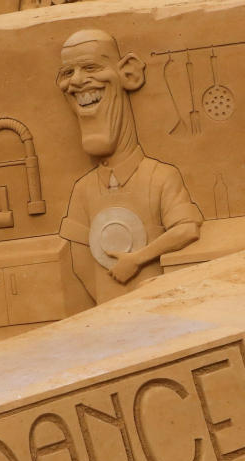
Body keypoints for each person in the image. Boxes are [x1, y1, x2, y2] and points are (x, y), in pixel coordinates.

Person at [56, 29, 203, 304]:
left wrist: (136, 260)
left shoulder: (160, 177)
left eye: (90, 67)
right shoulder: (83, 190)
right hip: (110, 315)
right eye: (67, 73)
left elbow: (187, 229)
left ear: (129, 73)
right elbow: (78, 260)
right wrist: (110, 298)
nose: (75, 81)